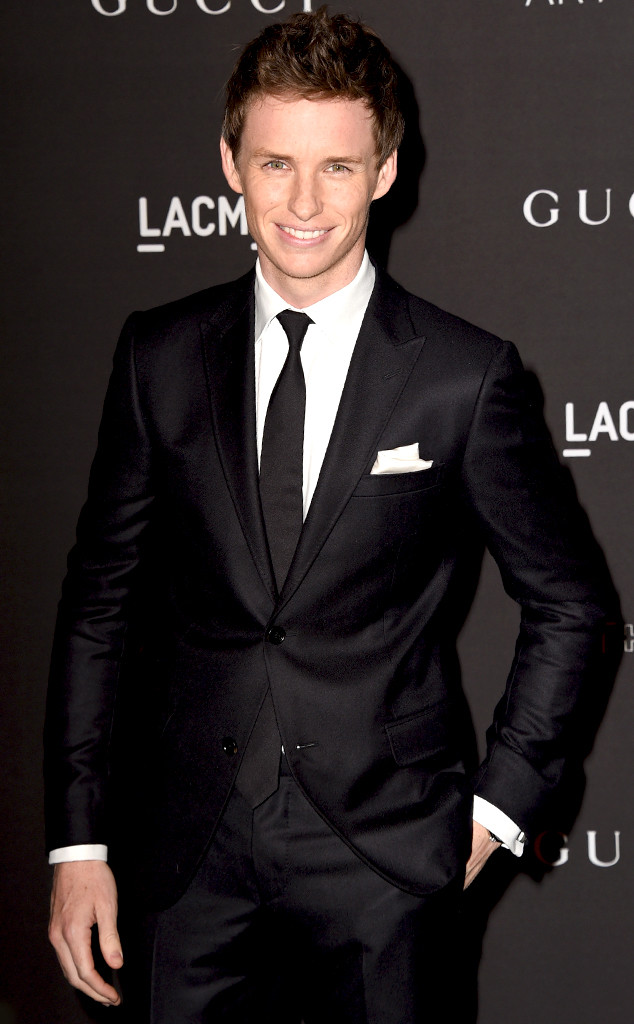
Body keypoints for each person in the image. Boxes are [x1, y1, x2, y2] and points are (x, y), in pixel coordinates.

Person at [45, 8, 615, 1023]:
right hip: (185, 860)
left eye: (337, 168)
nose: (303, 202)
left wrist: (496, 809)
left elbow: (571, 604)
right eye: (276, 163)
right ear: (230, 163)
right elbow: (98, 606)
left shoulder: (462, 375)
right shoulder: (157, 356)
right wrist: (78, 842)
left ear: (384, 172)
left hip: (387, 861)